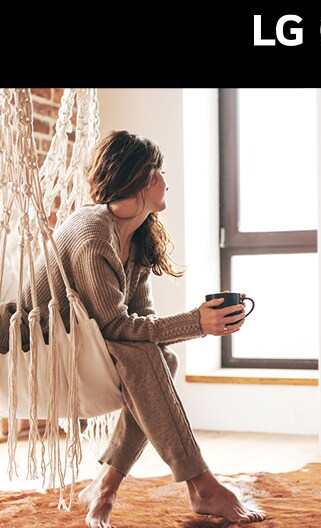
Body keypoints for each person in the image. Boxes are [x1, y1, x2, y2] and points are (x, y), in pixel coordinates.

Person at [0, 131, 264, 526]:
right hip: (30, 350)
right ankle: (200, 484)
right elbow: (116, 325)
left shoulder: (137, 239)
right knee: (145, 355)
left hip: (82, 343)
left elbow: (140, 320)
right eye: (157, 170)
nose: (164, 179)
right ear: (138, 178)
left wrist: (201, 323)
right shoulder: (92, 234)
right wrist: (198, 323)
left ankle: (107, 486)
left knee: (161, 358)